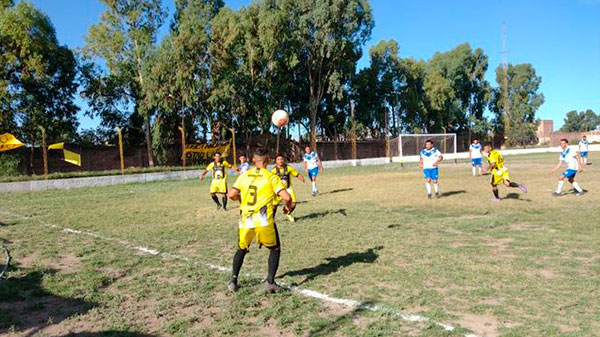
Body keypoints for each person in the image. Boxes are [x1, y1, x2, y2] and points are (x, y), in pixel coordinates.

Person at [227, 149, 294, 293]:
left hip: (246, 219)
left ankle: (233, 280)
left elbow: (231, 194)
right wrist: (289, 207)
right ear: (268, 160)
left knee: (242, 249)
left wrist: (240, 200)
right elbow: (287, 198)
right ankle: (270, 282)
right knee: (275, 249)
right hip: (263, 220)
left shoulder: (244, 176)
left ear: (253, 160)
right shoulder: (271, 177)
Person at [272, 154, 307, 222]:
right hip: (278, 190)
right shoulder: (273, 171)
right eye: (278, 159)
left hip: (288, 188)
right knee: (274, 206)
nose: (280, 161)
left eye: (281, 159)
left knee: (293, 204)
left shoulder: (289, 168)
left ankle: (287, 213)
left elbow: (296, 174)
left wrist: (302, 179)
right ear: (276, 161)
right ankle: (271, 219)